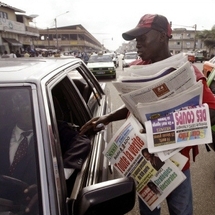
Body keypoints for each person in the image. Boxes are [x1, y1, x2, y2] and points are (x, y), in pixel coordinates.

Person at [80, 14, 215, 215]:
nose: (137, 43)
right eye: (136, 39)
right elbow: (132, 106)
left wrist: (169, 128)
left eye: (143, 37)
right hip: (145, 164)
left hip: (177, 166)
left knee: (182, 210)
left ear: (162, 36)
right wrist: (107, 118)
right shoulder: (136, 71)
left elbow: (212, 111)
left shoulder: (189, 74)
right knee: (149, 211)